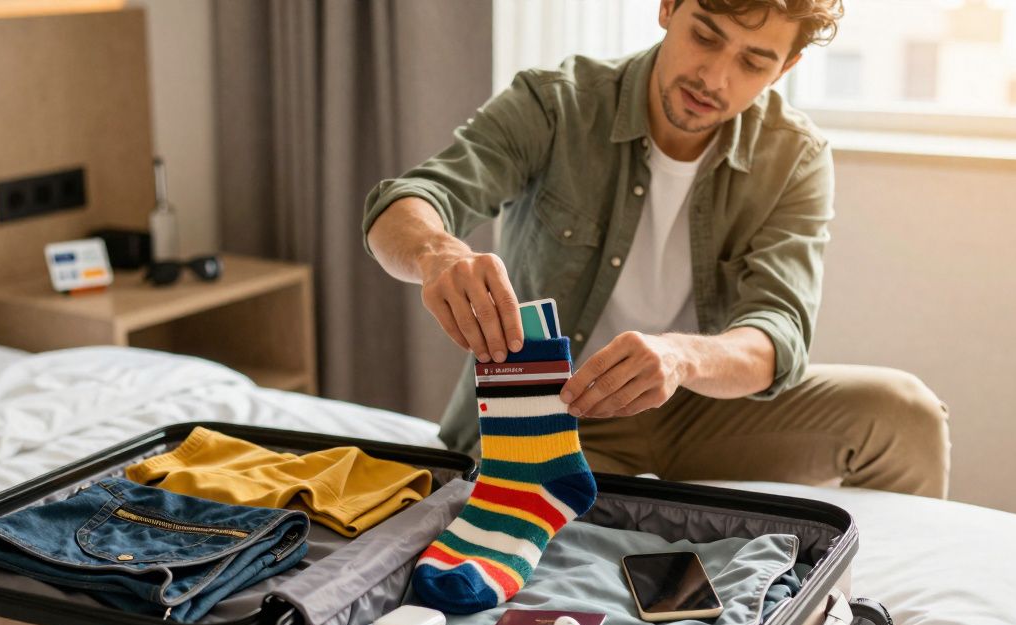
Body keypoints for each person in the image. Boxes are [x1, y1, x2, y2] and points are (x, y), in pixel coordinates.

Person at [364, 0, 950, 498]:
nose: (714, 79)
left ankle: (875, 614)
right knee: (550, 557)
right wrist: (437, 252)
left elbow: (779, 333)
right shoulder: (555, 104)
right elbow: (412, 198)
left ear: (786, 67)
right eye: (705, 36)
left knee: (904, 414)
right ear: (668, 6)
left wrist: (679, 358)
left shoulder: (793, 155)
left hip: (704, 408)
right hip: (562, 412)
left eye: (752, 61)